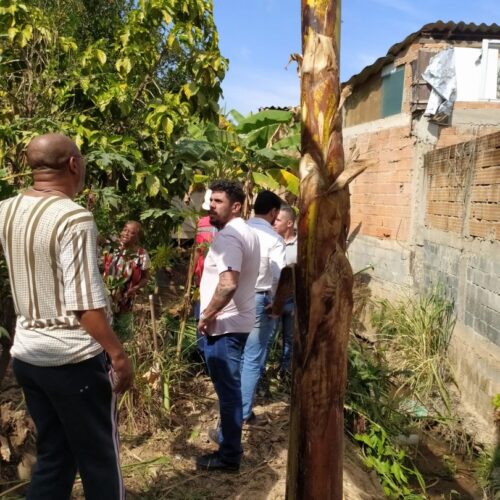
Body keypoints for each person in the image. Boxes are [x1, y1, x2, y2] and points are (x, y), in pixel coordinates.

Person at [0, 133, 133, 499]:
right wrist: (119, 356)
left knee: (56, 456)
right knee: (100, 462)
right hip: (71, 360)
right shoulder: (74, 218)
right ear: (74, 164)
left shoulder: (6, 209)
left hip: (28, 355)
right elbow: (84, 304)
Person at [196, 180, 260, 472]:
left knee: (228, 390)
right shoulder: (249, 232)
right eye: (212, 200)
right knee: (230, 387)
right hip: (238, 321)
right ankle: (227, 439)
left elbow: (228, 283)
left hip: (224, 325)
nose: (212, 205)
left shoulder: (229, 238)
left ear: (236, 206)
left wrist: (207, 315)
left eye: (219, 201)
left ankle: (229, 455)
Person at [241, 190, 285, 422]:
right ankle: (243, 412)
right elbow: (279, 276)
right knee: (252, 357)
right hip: (259, 299)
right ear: (274, 212)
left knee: (236, 354)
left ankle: (231, 407)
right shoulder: (273, 239)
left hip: (233, 298)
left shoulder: (238, 230)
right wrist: (277, 304)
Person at [269, 204, 297, 377]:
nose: (274, 223)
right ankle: (261, 375)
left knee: (290, 338)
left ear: (289, 223)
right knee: (268, 338)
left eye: (278, 220)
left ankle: (285, 371)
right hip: (274, 299)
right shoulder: (272, 241)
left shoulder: (300, 245)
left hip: (293, 300)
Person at [102, 220, 150, 315]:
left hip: (125, 299)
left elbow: (145, 278)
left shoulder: (141, 255)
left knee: (120, 326)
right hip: (104, 295)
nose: (126, 234)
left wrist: (135, 288)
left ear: (137, 238)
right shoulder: (111, 247)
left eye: (131, 233)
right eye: (125, 230)